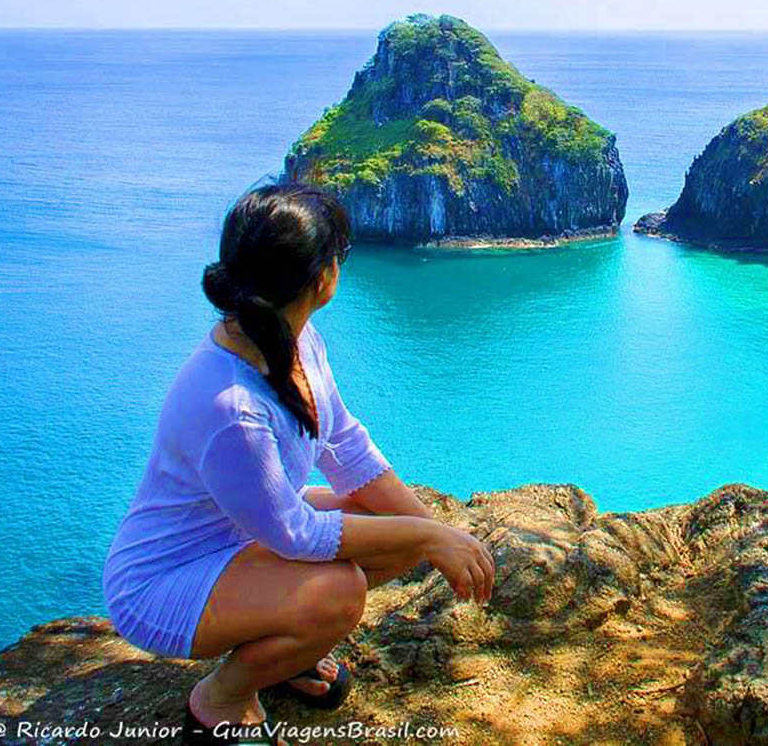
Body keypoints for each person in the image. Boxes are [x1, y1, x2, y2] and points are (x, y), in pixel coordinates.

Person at [102, 184, 494, 745]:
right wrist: (431, 538)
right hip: (165, 581)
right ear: (322, 278)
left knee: (398, 536)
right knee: (340, 593)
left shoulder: (296, 339)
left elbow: (345, 445)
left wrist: (434, 532)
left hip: (239, 538)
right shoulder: (232, 406)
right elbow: (295, 534)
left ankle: (286, 649)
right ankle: (222, 698)